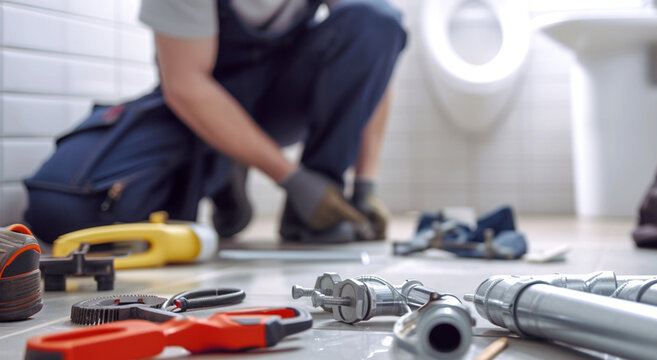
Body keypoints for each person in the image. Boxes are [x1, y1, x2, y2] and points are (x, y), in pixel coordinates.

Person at [23, 0, 406, 243]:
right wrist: (292, 179)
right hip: (198, 106)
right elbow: (185, 84)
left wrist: (365, 184)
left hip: (282, 101)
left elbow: (374, 55)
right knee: (62, 212)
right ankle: (223, 169)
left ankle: (316, 211)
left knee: (378, 19)